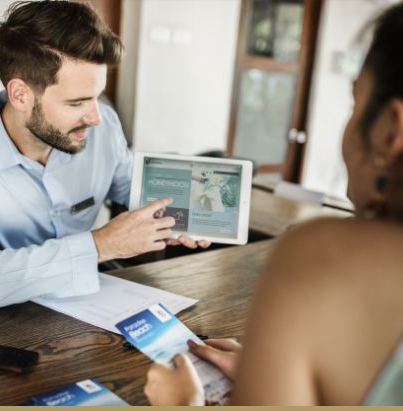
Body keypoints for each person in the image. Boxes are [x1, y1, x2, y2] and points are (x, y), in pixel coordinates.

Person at [144, 1, 403, 405]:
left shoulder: (323, 256)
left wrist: (183, 402)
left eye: (354, 103)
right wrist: (273, 367)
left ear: (392, 129)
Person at [0, 1, 209, 315]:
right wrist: (99, 246)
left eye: (96, 96)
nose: (96, 117)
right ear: (20, 95)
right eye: (78, 102)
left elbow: (131, 188)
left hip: (89, 310)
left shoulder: (104, 127)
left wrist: (177, 217)